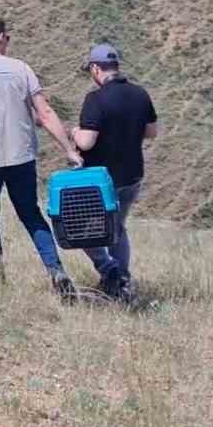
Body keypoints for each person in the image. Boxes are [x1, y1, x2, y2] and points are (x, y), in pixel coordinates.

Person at [0, 15, 85, 299]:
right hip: (20, 156)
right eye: (7, 37)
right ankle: (55, 269)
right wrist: (69, 150)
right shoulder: (20, 69)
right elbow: (45, 114)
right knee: (31, 214)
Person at [71, 44, 159, 303]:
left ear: (96, 68)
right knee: (117, 227)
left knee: (82, 229)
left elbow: (86, 142)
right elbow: (152, 132)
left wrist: (74, 132)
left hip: (100, 180)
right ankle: (121, 282)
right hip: (132, 175)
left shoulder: (95, 99)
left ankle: (112, 273)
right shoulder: (140, 94)